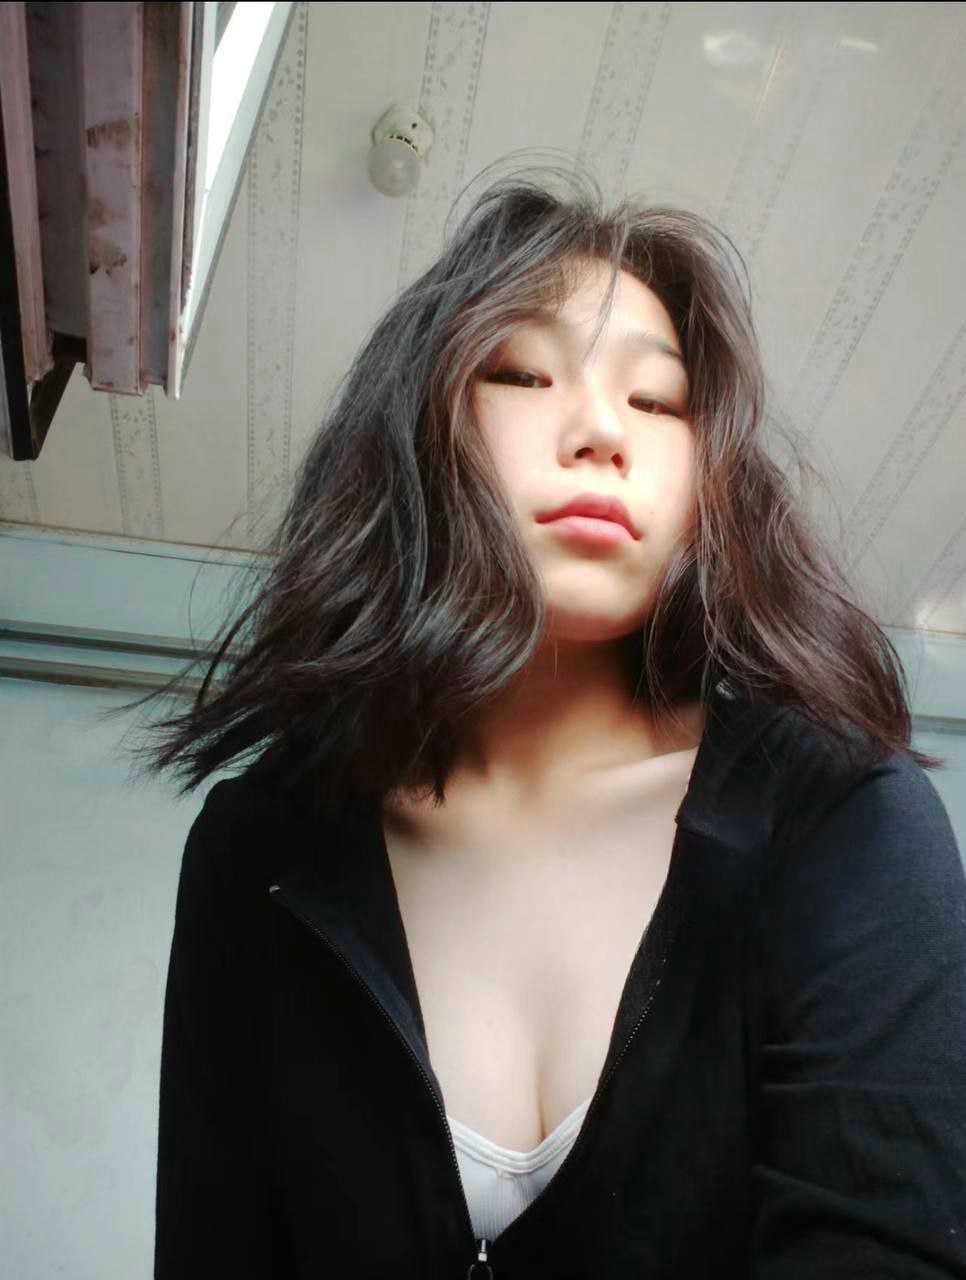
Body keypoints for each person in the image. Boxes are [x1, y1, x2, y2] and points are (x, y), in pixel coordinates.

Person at [119, 162, 966, 1277]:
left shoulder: (842, 820)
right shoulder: (258, 851)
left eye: (658, 399)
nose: (602, 429)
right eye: (523, 373)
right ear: (419, 430)